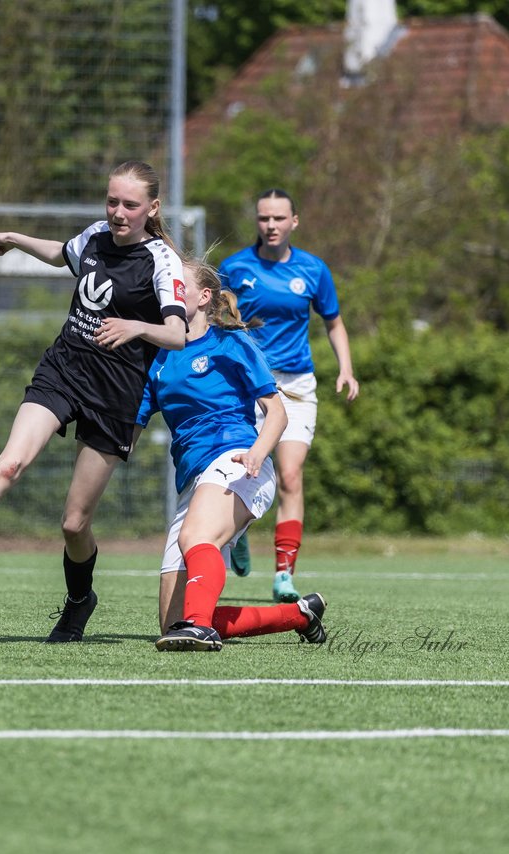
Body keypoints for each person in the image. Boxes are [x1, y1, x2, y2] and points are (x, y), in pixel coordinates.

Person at [0, 160, 188, 642]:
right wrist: (15, 239)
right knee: (9, 463)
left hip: (115, 394)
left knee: (74, 523)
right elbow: (62, 255)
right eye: (112, 201)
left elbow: (178, 334)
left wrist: (137, 327)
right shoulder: (97, 235)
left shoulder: (162, 262)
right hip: (63, 370)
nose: (118, 212)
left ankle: (80, 600)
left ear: (153, 208)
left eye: (130, 204)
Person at [135, 260, 327, 651]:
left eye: (176, 285)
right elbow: (129, 428)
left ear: (204, 297)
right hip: (195, 480)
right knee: (174, 622)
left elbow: (277, 412)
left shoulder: (230, 343)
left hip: (238, 462)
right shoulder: (159, 358)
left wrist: (257, 453)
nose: (166, 292)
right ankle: (298, 615)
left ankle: (201, 629)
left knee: (196, 537)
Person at [219, 188, 358, 602]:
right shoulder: (235, 267)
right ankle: (238, 532)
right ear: (256, 221)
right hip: (250, 383)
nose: (271, 226)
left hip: (297, 386)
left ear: (294, 221)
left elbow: (334, 323)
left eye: (279, 218)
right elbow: (216, 318)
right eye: (264, 218)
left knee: (291, 476)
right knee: (242, 471)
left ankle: (283, 575)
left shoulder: (314, 270)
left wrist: (346, 369)